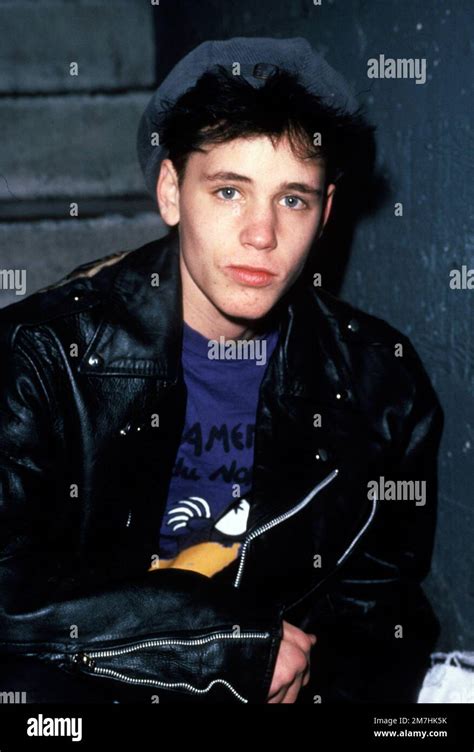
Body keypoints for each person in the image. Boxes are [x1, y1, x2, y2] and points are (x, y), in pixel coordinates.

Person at [0, 37, 442, 704]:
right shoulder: (43, 357)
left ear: (324, 214)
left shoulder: (382, 386)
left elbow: (382, 614)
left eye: (292, 199)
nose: (260, 234)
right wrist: (225, 644)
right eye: (230, 191)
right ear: (173, 193)